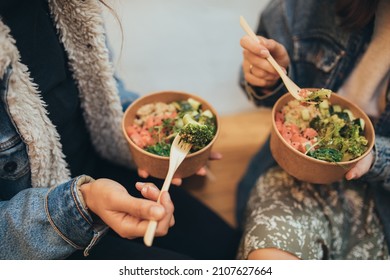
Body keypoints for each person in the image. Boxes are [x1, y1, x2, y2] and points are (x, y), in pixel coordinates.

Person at [0, 0, 240, 260]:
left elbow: (103, 87)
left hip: (101, 169)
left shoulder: (70, 5)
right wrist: (80, 205)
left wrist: (147, 142)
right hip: (39, 224)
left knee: (228, 249)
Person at [236, 0, 390, 259]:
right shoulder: (305, 7)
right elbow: (257, 84)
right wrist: (270, 77)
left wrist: (377, 156)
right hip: (295, 175)